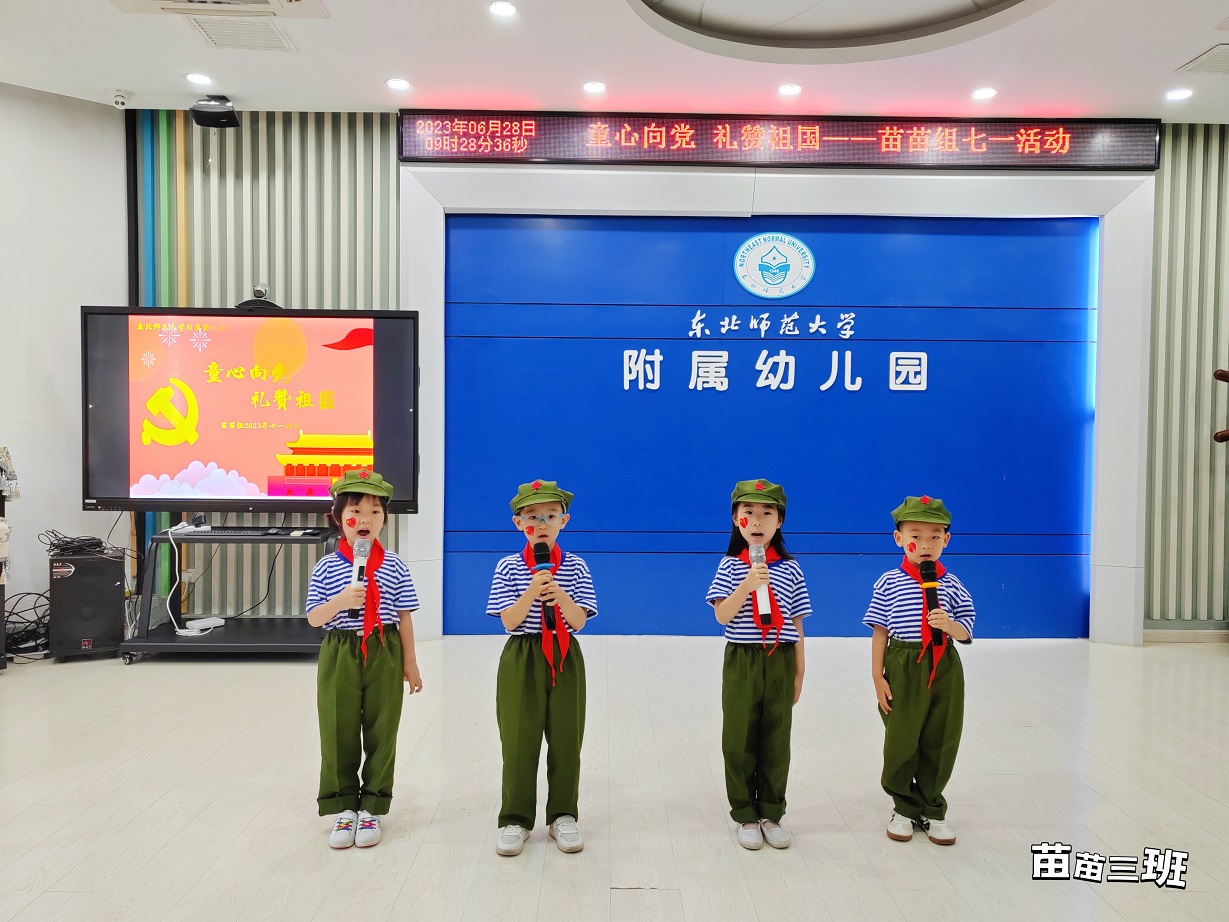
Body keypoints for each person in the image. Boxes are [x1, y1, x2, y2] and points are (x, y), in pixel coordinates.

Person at [306, 469, 423, 849]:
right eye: (355, 511)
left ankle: (372, 805)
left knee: (382, 727)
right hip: (340, 649)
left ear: (384, 519)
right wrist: (341, 600)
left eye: (375, 512)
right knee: (337, 726)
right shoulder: (326, 566)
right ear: (338, 518)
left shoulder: (395, 565)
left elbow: (404, 617)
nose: (365, 519)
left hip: (384, 647)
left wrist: (410, 663)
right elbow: (314, 618)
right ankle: (343, 806)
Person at [486, 479, 597, 856]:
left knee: (567, 739)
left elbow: (579, 621)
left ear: (564, 521)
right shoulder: (508, 567)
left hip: (565, 655)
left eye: (551, 516)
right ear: (518, 523)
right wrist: (533, 590)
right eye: (532, 517)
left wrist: (559, 593)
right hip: (522, 657)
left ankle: (563, 815)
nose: (542, 524)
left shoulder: (576, 566)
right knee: (518, 739)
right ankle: (515, 818)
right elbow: (509, 621)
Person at [706, 478, 811, 850]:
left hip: (780, 657)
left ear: (779, 521)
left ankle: (771, 812)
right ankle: (745, 814)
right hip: (743, 658)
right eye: (748, 512)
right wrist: (747, 585)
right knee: (739, 737)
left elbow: (797, 622)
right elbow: (722, 616)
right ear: (736, 519)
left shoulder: (791, 569)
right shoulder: (730, 567)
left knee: (776, 738)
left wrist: (799, 670)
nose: (757, 521)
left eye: (767, 513)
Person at [864, 495, 975, 845]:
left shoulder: (952, 584)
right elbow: (880, 631)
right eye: (916, 536)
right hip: (903, 663)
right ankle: (904, 805)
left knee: (941, 736)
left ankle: (932, 807)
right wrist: (877, 675)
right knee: (902, 736)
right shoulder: (888, 582)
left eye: (934, 536)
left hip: (943, 664)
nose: (925, 545)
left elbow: (967, 630)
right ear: (899, 538)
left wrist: (950, 625)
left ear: (946, 540)